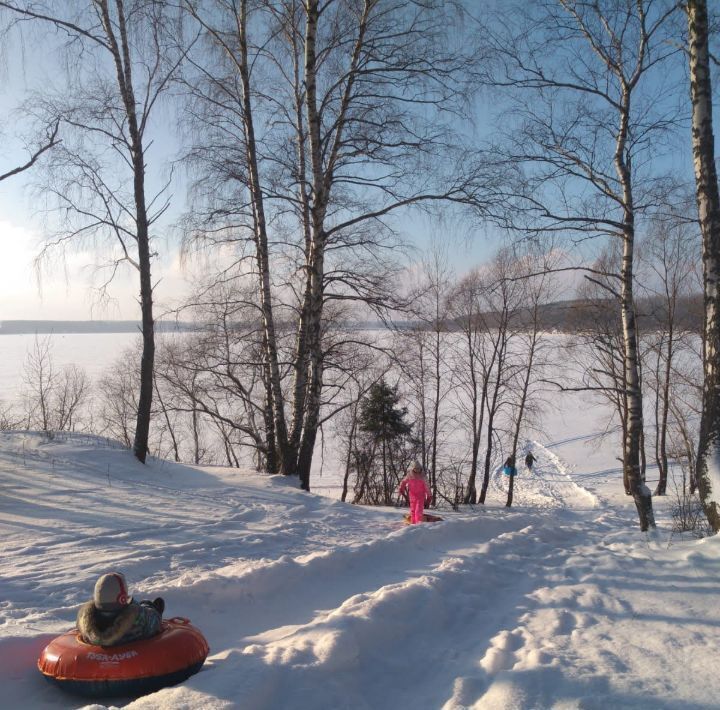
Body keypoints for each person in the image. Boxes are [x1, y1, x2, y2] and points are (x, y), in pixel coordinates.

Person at [76, 572, 164, 647]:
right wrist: (147, 605)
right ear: (122, 598)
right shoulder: (136, 620)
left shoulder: (85, 624)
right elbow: (154, 621)